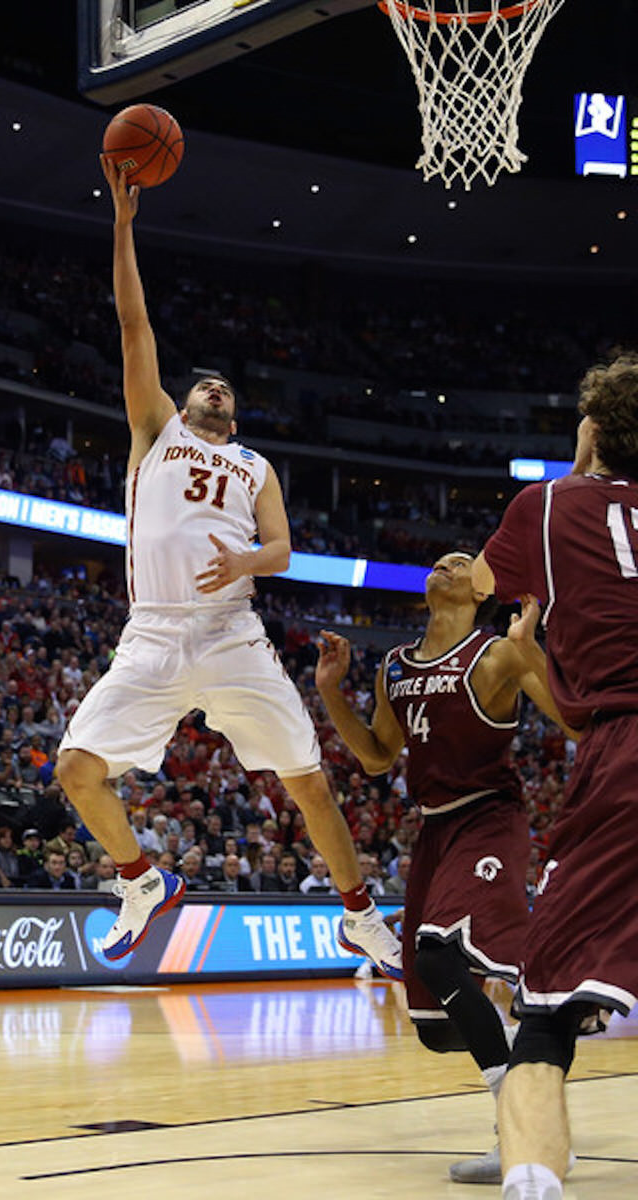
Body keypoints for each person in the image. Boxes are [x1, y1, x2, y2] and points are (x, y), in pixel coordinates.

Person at [55, 159, 401, 977]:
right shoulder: (156, 432)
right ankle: (141, 882)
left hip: (234, 634)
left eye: (222, 389)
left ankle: (358, 915)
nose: (211, 388)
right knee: (75, 770)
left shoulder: (256, 466)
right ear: (183, 403)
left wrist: (246, 558)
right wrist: (122, 226)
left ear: (233, 414)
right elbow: (134, 327)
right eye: (201, 383)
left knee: (309, 782)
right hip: (154, 634)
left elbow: (281, 550)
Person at [316, 550, 571, 1185]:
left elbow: (572, 719)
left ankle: (522, 1126)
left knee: (435, 953)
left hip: (490, 816)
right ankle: (529, 1106)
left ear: (481, 593)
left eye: (460, 562)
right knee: (434, 1026)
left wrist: (531, 647)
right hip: (433, 829)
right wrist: (328, 692)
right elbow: (377, 757)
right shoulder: (394, 665)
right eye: (439, 561)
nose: (445, 564)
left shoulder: (498, 654)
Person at [471, 353, 638, 1200]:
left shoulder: (547, 507)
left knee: (544, 1012)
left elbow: (475, 585)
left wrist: (574, 477)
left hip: (627, 759)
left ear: (595, 426)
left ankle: (533, 1182)